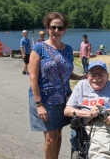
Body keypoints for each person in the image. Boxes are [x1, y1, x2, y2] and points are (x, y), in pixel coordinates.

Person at [28, 12, 86, 159]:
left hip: (63, 99)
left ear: (65, 30)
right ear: (47, 28)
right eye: (53, 27)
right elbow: (33, 78)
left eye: (60, 28)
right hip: (44, 99)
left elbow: (65, 72)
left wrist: (79, 77)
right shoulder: (38, 48)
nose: (56, 31)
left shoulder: (67, 49)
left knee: (59, 135)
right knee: (51, 138)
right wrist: (39, 104)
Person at [64, 60, 110, 159]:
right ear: (87, 76)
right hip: (97, 125)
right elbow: (67, 110)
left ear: (107, 75)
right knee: (102, 154)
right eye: (93, 74)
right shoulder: (82, 86)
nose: (97, 77)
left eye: (101, 73)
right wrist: (88, 114)